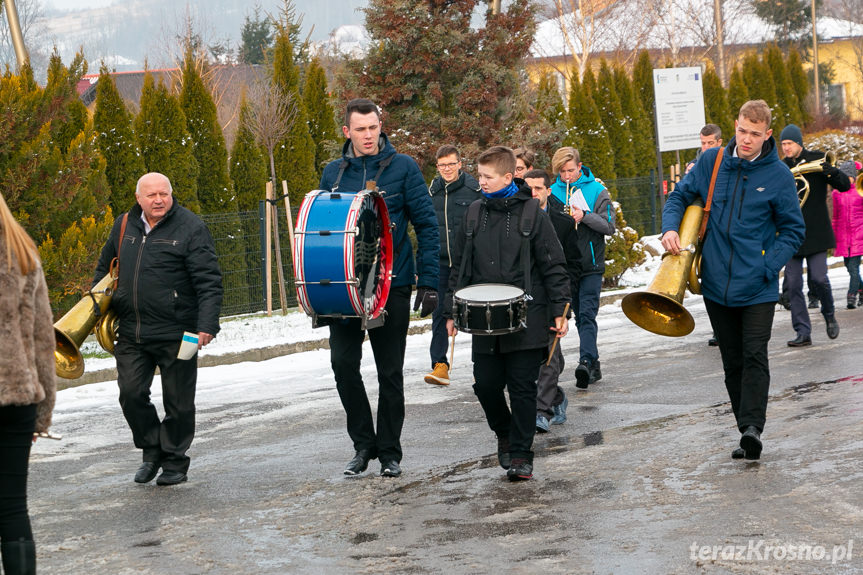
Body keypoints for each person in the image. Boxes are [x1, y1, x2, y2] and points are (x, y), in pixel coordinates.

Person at [661, 100, 805, 461]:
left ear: (767, 134)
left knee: (755, 354)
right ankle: (745, 429)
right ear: (736, 126)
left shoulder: (779, 176)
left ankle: (753, 428)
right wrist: (668, 227)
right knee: (732, 360)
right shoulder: (712, 162)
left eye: (755, 134)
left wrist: (766, 266)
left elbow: (792, 230)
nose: (746, 139)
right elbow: (679, 195)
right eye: (742, 130)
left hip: (757, 285)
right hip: (715, 283)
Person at [320, 98, 439, 478]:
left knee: (390, 372)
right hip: (345, 289)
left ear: (380, 125)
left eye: (373, 128)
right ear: (347, 132)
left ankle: (389, 451)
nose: (368, 136)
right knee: (342, 365)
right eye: (360, 129)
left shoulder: (404, 167)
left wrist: (431, 281)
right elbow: (324, 232)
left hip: (393, 283)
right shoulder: (333, 174)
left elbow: (426, 225)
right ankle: (363, 445)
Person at [444, 146, 570, 481]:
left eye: (486, 177)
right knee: (485, 385)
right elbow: (458, 268)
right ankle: (504, 432)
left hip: (528, 315)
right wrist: (449, 311)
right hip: (484, 319)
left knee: (522, 388)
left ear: (507, 176)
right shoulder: (472, 214)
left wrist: (560, 309)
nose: (480, 181)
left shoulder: (532, 213)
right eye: (480, 175)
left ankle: (521, 454)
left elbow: (554, 265)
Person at [94, 172, 223, 486]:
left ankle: (175, 461)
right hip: (132, 331)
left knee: (179, 402)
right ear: (139, 198)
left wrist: (206, 325)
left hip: (184, 332)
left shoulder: (191, 227)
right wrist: (95, 309)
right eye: (151, 195)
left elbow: (210, 281)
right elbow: (103, 269)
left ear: (171, 194)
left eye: (163, 193)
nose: (158, 200)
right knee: (130, 395)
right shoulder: (124, 225)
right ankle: (152, 450)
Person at [0, 192, 55, 574]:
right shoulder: (23, 255)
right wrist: (42, 413)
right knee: (12, 506)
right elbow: (42, 339)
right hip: (18, 399)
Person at [549, 147, 615, 389]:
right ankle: (589, 363)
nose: (567, 176)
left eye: (571, 170)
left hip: (590, 264)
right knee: (567, 315)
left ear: (580, 166)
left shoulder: (598, 190)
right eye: (562, 172)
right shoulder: (552, 191)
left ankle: (586, 361)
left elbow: (609, 226)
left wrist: (584, 215)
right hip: (563, 266)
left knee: (587, 314)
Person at [779, 124, 850, 347]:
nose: (786, 148)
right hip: (791, 234)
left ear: (799, 143)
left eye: (789, 143)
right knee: (793, 284)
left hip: (816, 232)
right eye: (783, 144)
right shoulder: (780, 168)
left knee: (819, 278)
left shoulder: (818, 159)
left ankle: (829, 314)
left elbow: (845, 185)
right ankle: (802, 331)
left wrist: (831, 171)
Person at [425, 145, 481, 386]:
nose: (447, 169)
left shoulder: (474, 190)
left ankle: (483, 364)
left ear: (460, 163)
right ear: (437, 167)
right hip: (440, 264)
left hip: (469, 263)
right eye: (442, 165)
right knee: (439, 313)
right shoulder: (432, 191)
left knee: (477, 311)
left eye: (451, 164)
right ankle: (439, 365)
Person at [524, 169, 575, 432]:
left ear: (548, 191)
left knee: (550, 356)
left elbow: (574, 265)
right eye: (528, 188)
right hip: (528, 298)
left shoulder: (562, 223)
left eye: (537, 189)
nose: (532, 194)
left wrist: (564, 306)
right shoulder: (516, 220)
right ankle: (555, 397)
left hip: (554, 298)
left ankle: (541, 411)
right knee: (541, 360)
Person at [686, 124, 723, 347]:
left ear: (719, 143)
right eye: (703, 143)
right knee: (708, 280)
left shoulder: (726, 161)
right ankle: (718, 329)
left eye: (710, 143)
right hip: (701, 228)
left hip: (720, 227)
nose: (706, 147)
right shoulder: (694, 165)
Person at [832, 161, 863, 309]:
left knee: (853, 267)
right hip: (844, 238)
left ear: (854, 177)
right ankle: (862, 291)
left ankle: (851, 296)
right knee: (849, 267)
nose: (846, 178)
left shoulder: (860, 190)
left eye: (848, 176)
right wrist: (833, 234)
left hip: (858, 235)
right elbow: (836, 217)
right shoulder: (836, 193)